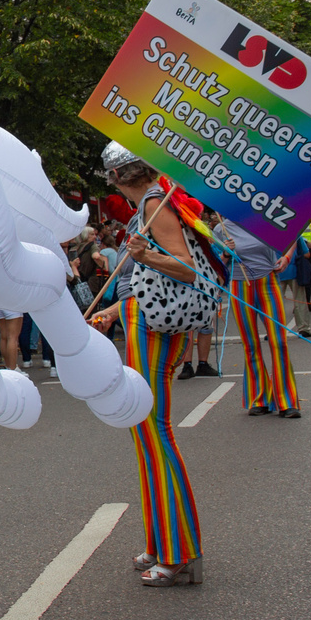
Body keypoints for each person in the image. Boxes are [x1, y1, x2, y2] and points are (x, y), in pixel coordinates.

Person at [93, 143, 216, 587]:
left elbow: (185, 267)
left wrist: (144, 255)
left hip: (154, 327)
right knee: (145, 434)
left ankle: (181, 552)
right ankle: (163, 541)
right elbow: (144, 281)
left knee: (152, 431)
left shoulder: (152, 202)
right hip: (144, 318)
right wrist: (111, 312)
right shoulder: (156, 198)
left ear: (121, 177)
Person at [216, 218, 300, 418]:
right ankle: (259, 398)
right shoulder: (221, 228)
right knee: (250, 344)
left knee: (279, 341)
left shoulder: (264, 219)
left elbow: (292, 235)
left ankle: (287, 401)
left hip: (268, 282)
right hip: (239, 286)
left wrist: (286, 258)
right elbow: (214, 263)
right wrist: (226, 253)